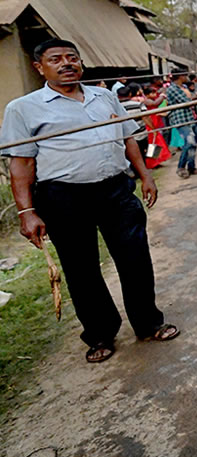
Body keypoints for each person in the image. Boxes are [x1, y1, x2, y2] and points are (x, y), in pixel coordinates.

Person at [0, 39, 178, 363]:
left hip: (116, 190)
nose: (67, 63)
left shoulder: (105, 95)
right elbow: (21, 163)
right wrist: (27, 212)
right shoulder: (23, 108)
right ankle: (100, 334)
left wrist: (146, 176)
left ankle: (149, 322)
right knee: (81, 270)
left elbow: (128, 137)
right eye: (56, 59)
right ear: (39, 67)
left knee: (135, 259)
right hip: (62, 197)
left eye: (73, 58)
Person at [165, 71, 197, 178]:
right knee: (189, 143)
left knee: (193, 144)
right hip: (181, 119)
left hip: (190, 117)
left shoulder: (183, 87)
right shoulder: (173, 89)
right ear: (180, 76)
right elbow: (187, 101)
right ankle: (181, 167)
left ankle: (191, 167)